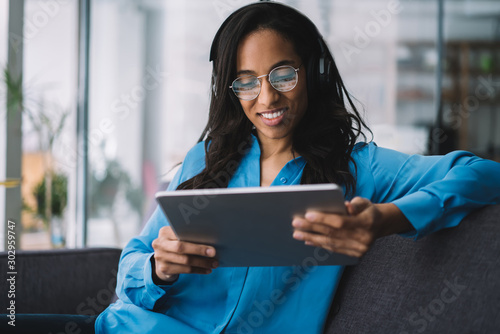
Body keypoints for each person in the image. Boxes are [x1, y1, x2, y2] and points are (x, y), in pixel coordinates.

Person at [95, 2, 500, 333]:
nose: (267, 97)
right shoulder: (206, 157)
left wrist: (385, 220)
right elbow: (130, 267)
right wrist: (158, 268)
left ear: (314, 74)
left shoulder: (359, 169)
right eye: (247, 82)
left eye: (283, 74)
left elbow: (484, 173)